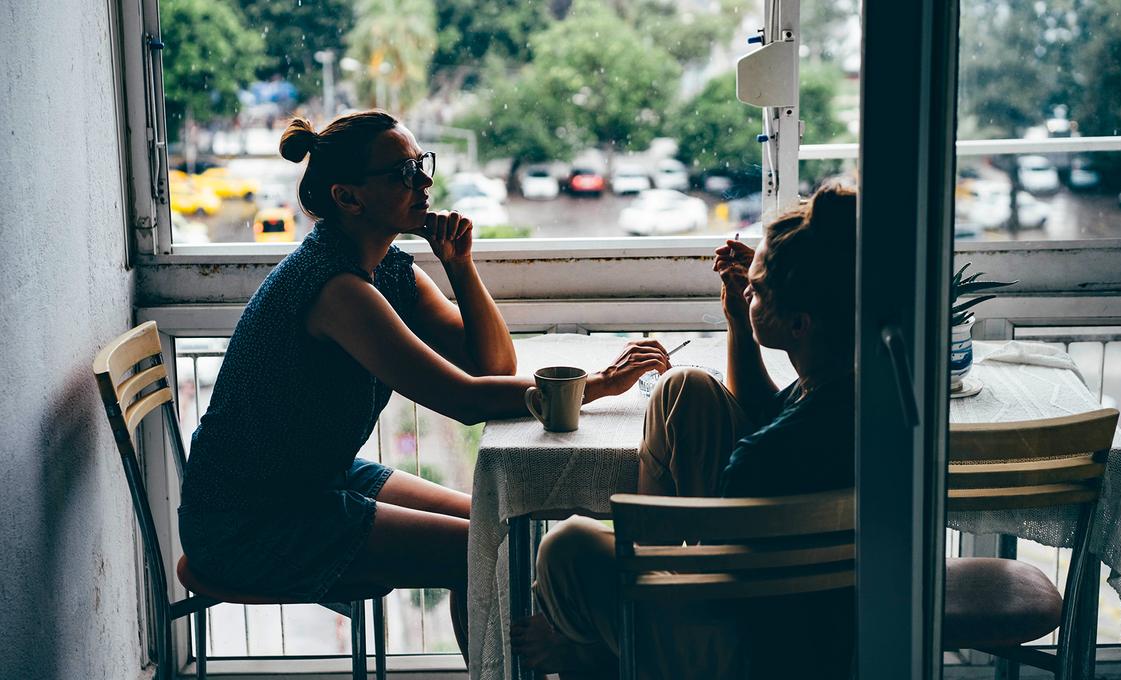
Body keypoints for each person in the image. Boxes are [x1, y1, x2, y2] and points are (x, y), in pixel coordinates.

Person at [177, 110, 670, 659]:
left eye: (421, 165)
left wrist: (460, 265)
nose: (424, 182)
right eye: (402, 173)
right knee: (481, 549)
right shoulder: (336, 289)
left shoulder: (388, 268)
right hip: (250, 518)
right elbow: (463, 400)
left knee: (489, 522)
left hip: (318, 478)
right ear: (348, 197)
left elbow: (494, 368)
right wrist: (597, 385)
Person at [512, 184, 858, 679]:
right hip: (822, 615)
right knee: (686, 387)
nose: (747, 291)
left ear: (799, 323)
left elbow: (723, 592)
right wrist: (740, 317)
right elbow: (764, 410)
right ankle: (621, 624)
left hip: (752, 643)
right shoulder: (847, 385)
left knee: (566, 548)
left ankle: (602, 658)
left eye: (756, 289)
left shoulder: (759, 460)